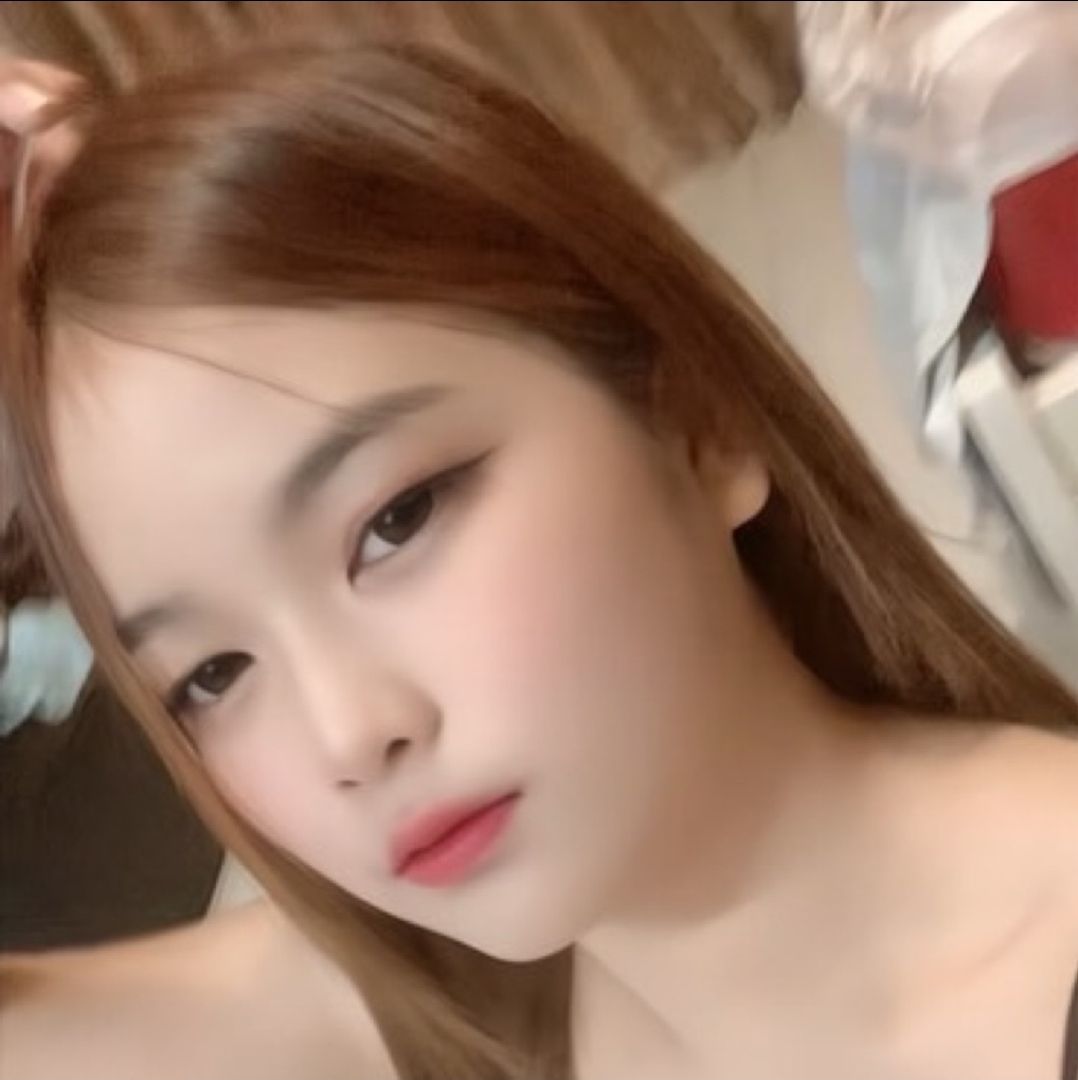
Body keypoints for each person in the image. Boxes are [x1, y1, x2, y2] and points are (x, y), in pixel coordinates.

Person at [2, 39, 1078, 1080]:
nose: (349, 734)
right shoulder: (467, 1013)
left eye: (396, 521)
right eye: (211, 675)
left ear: (696, 421)